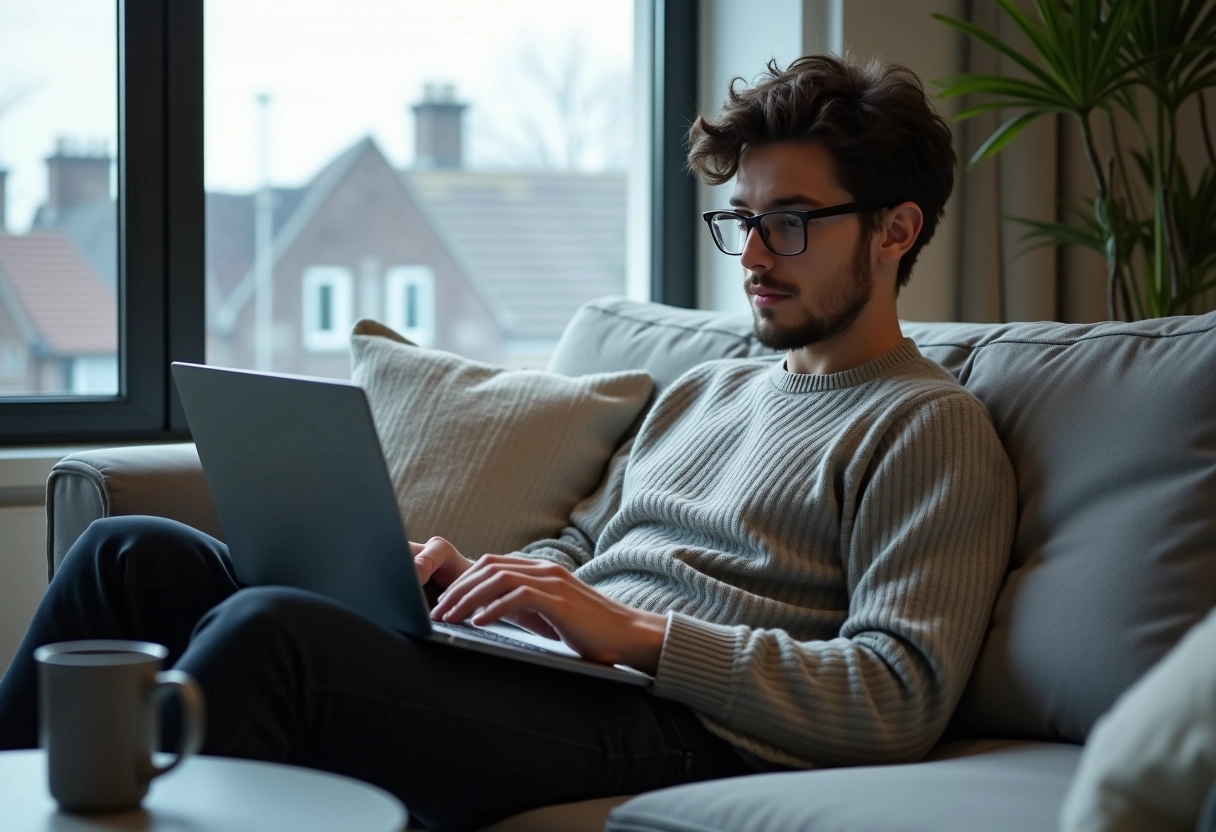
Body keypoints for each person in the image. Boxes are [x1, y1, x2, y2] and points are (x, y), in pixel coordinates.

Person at [0, 54, 1016, 830]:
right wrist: (481, 581)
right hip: (557, 671)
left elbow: (896, 694)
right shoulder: (707, 387)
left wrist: (638, 635)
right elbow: (577, 547)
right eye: (741, 219)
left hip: (678, 724)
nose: (750, 255)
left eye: (788, 223)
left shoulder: (928, 426)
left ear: (894, 231)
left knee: (277, 635)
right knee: (127, 554)